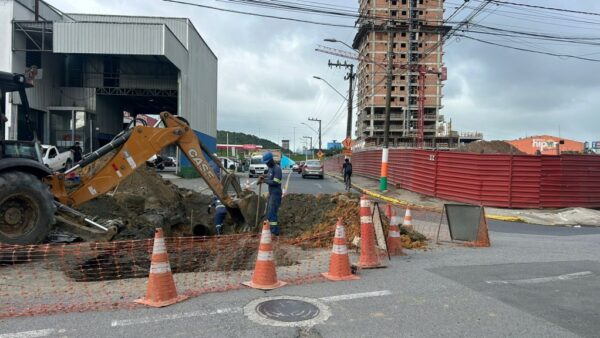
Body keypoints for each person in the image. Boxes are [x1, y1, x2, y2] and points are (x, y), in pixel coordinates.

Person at [258, 151, 282, 235]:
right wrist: (263, 176)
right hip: (271, 194)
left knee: (272, 212)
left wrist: (264, 180)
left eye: (267, 163)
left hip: (276, 194)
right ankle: (270, 229)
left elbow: (275, 182)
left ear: (271, 160)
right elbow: (269, 177)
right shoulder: (271, 168)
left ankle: (274, 232)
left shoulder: (277, 169)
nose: (266, 164)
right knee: (268, 212)